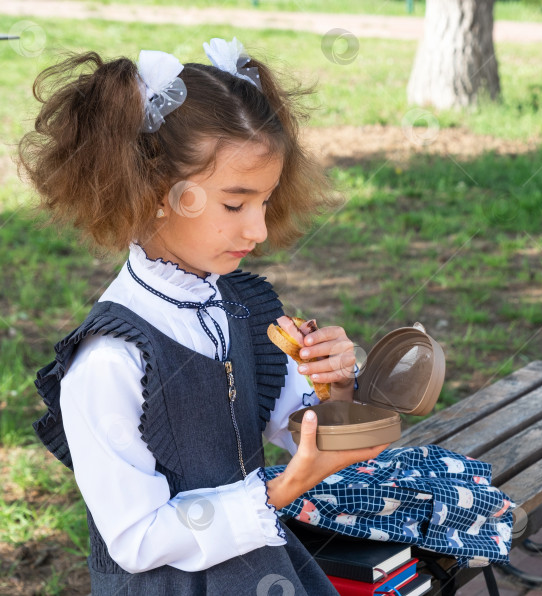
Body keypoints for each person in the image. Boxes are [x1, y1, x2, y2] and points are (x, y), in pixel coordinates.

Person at [19, 37, 387, 595]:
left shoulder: (243, 306)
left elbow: (299, 435)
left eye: (264, 202)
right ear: (155, 191)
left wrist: (334, 392)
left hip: (259, 567)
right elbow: (136, 538)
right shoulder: (109, 358)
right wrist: (279, 490)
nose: (258, 230)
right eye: (235, 204)